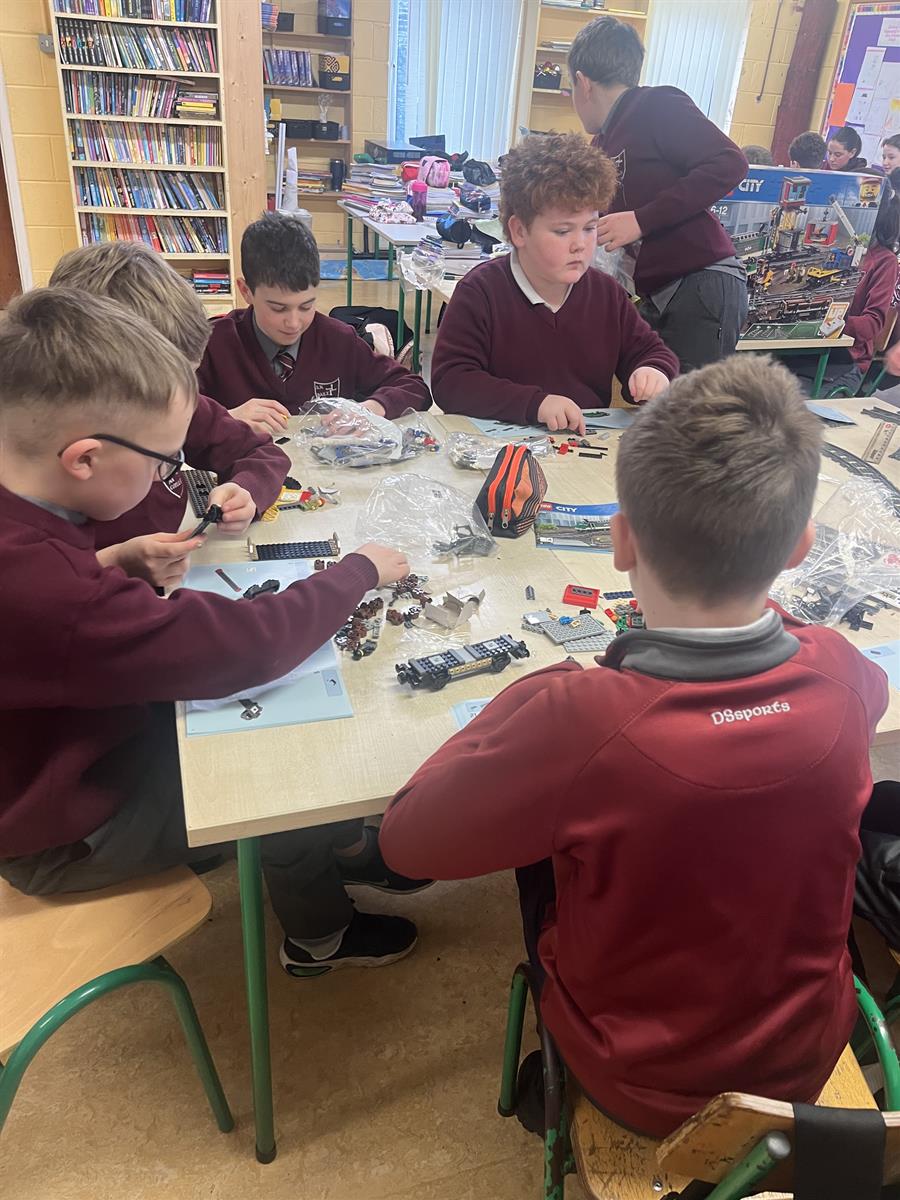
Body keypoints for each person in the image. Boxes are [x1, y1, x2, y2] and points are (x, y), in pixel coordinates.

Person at [380, 354, 888, 1138]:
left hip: (644, 1084)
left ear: (621, 542)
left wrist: (547, 687)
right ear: (800, 547)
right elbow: (835, 691)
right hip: (808, 1056)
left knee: (544, 845)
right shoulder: (845, 674)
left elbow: (407, 843)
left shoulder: (582, 718)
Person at [0, 287, 428, 976]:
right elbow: (245, 647)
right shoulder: (41, 586)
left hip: (79, 750)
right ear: (83, 460)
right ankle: (320, 937)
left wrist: (113, 560)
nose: (170, 478)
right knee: (280, 761)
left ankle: (342, 850)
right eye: (163, 464)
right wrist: (358, 572)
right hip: (66, 829)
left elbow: (55, 608)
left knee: (271, 721)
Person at [49, 241, 290, 590]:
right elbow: (29, 592)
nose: (181, 400)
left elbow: (260, 451)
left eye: (187, 378)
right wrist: (110, 564)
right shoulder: (32, 472)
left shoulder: (171, 399)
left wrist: (245, 490)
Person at [430, 134, 679, 432]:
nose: (580, 245)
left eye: (589, 228)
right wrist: (535, 404)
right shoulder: (480, 292)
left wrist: (653, 371)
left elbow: (652, 351)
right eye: (562, 232)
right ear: (519, 231)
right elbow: (451, 382)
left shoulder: (607, 294)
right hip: (498, 446)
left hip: (579, 445)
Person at [567, 15, 749, 372]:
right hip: (658, 291)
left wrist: (641, 220)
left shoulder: (654, 105)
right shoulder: (602, 142)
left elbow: (730, 163)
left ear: (582, 82)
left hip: (701, 282)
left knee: (685, 404)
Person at [197, 212, 430, 436]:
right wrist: (225, 418)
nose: (293, 323)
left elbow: (414, 387)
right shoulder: (214, 344)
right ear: (246, 291)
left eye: (306, 306)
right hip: (241, 463)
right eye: (278, 308)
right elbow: (176, 414)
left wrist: (370, 409)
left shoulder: (338, 340)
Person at [789, 169, 900, 395]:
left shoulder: (884, 261)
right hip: (798, 351)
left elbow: (871, 324)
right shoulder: (828, 250)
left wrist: (827, 323)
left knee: (785, 405)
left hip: (842, 361)